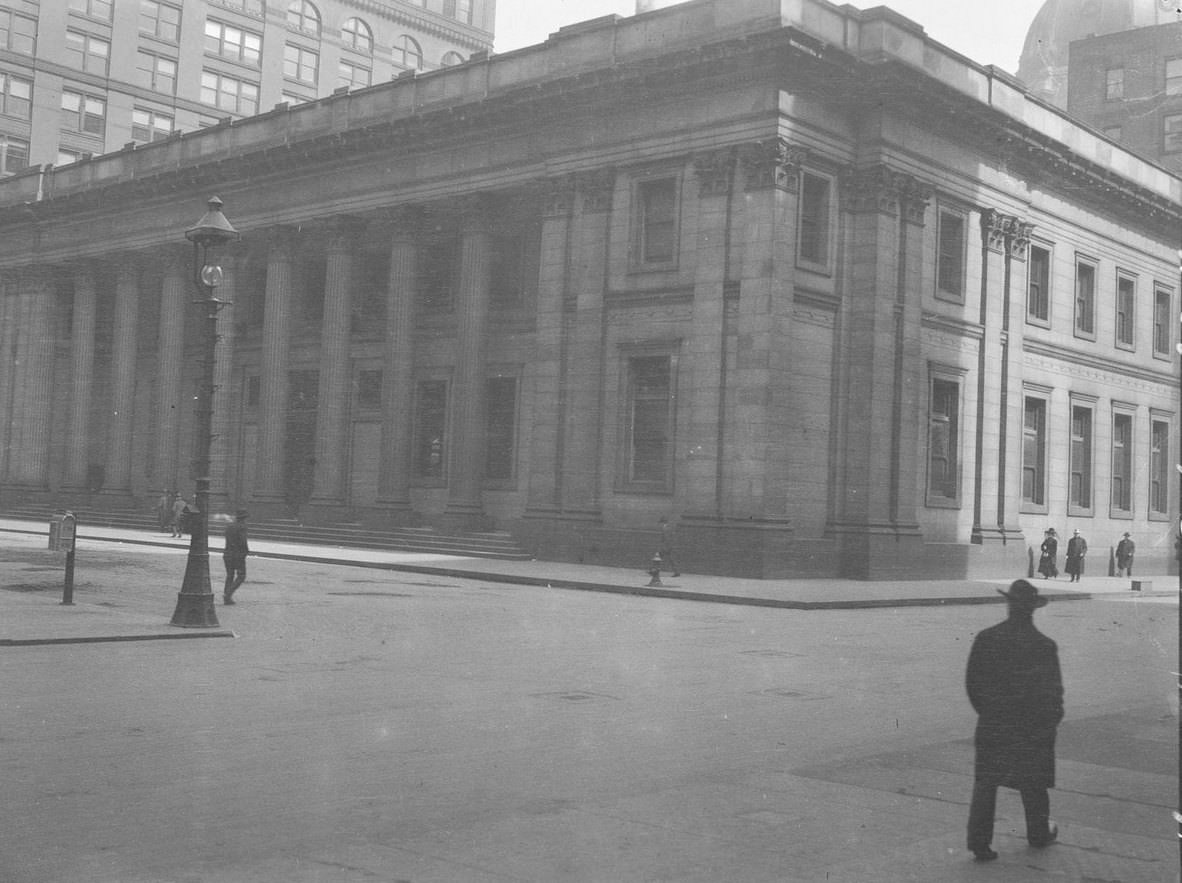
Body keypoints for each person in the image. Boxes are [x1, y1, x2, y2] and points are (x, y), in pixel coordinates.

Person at [966, 579, 1063, 862]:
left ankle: (979, 843)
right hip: (1031, 726)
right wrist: (1049, 723)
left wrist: (988, 713)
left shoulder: (986, 638)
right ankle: (1038, 833)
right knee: (1034, 782)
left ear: (1009, 605)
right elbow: (1054, 693)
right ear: (1032, 610)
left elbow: (973, 684)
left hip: (993, 723)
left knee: (986, 783)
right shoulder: (1044, 646)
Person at [223, 510, 250, 605]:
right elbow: (243, 541)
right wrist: (246, 552)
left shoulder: (229, 526)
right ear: (244, 518)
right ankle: (228, 594)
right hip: (238, 554)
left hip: (227, 553)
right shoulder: (242, 527)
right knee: (241, 576)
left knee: (230, 575)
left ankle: (227, 597)